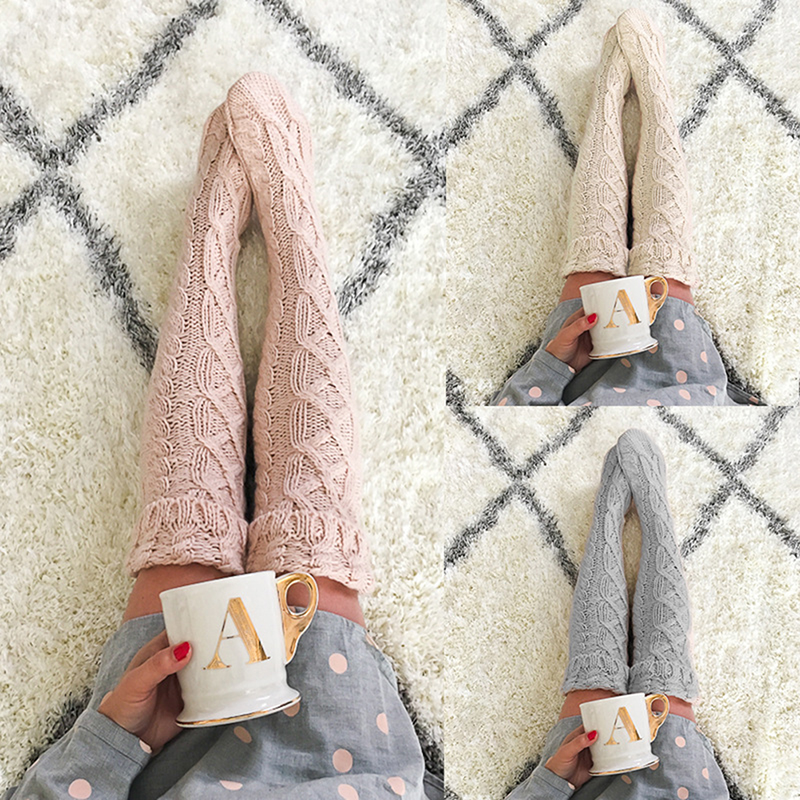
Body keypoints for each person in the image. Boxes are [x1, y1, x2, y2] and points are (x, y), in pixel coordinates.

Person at [5, 73, 432, 799]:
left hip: (164, 747)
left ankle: (212, 233)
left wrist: (111, 743)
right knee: (311, 512)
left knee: (189, 513)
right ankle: (292, 233)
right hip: (341, 752)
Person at [492, 10, 751, 407]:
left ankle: (609, 94)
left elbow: (508, 414)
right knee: (665, 252)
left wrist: (552, 364)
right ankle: (653, 96)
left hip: (580, 367)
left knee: (594, 251)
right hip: (682, 374)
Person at [506, 429, 730, 798]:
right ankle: (655, 515)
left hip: (586, 774)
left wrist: (552, 781)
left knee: (594, 679)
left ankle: (608, 515)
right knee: (666, 674)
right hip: (677, 779)